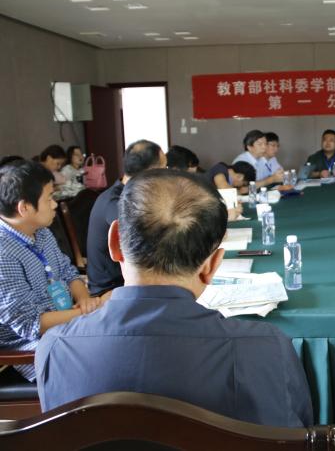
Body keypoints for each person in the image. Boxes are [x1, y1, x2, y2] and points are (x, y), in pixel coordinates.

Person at [36, 169, 314, 428]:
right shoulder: (265, 348)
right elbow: (295, 435)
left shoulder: (55, 349)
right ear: (212, 265)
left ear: (115, 243)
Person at [0, 160, 103, 381]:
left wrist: (85, 300)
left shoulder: (40, 231)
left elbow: (67, 271)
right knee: (106, 355)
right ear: (24, 208)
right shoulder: (3, 254)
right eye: (48, 199)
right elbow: (31, 324)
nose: (55, 204)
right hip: (30, 348)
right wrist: (88, 312)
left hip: (66, 322)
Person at [86, 140, 167, 297]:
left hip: (132, 279)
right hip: (111, 289)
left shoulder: (133, 194)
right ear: (151, 172)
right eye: (164, 168)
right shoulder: (115, 202)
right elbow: (144, 242)